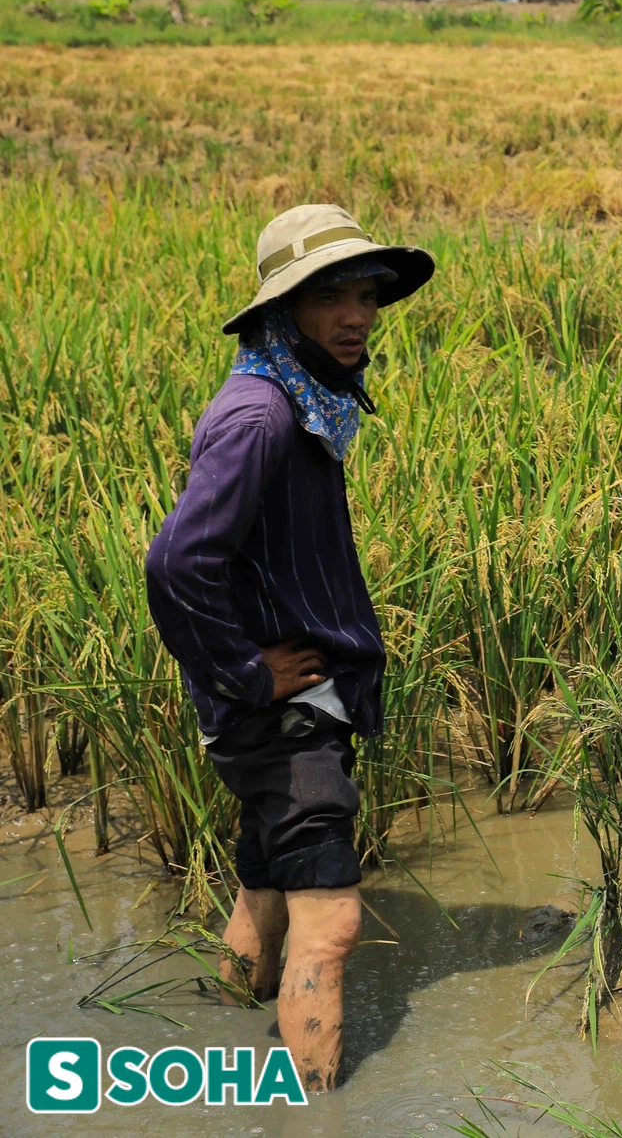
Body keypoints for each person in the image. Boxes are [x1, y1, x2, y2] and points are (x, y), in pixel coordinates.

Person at [145, 204, 434, 1091]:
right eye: (330, 297)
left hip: (273, 711)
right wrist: (245, 672)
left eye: (367, 295)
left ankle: (234, 1039)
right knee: (332, 922)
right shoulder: (263, 417)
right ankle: (313, 1106)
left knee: (265, 885)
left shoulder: (295, 396)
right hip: (285, 713)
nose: (357, 316)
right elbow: (176, 561)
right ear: (284, 308)